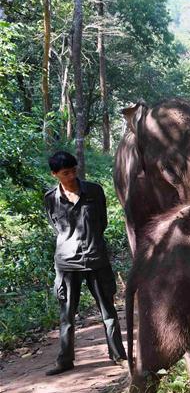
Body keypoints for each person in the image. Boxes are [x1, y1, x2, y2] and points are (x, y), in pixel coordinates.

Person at [43, 151, 127, 375]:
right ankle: (65, 361)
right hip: (67, 264)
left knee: (108, 312)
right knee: (67, 316)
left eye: (74, 170)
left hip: (96, 260)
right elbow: (56, 227)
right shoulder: (51, 198)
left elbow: (102, 222)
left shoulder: (94, 191)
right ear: (54, 174)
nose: (71, 176)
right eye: (65, 173)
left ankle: (118, 355)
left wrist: (91, 241)